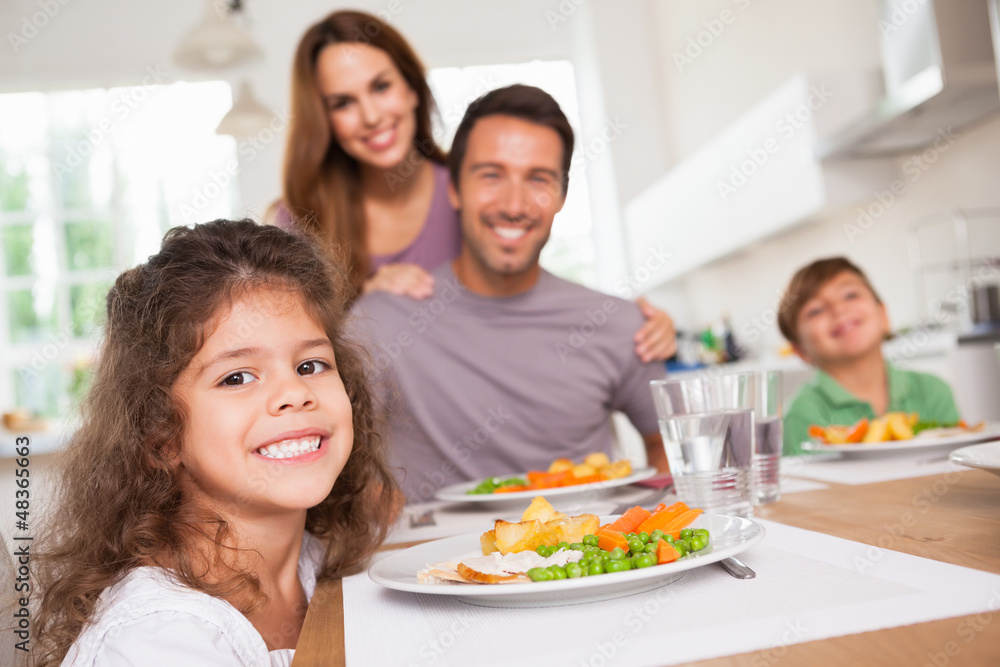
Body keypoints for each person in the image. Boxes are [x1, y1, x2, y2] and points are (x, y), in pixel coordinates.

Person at [35, 220, 397, 666]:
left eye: (310, 365)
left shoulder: (317, 562)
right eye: (237, 377)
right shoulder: (159, 641)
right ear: (161, 435)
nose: (294, 393)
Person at [276, 9, 676, 364]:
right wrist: (365, 311)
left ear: (411, 88)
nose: (371, 115)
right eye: (343, 103)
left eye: (381, 87)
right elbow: (294, 357)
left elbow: (522, 284)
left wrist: (627, 327)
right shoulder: (302, 219)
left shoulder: (472, 184)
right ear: (323, 119)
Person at [353, 84, 668, 502]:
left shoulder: (621, 325)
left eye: (538, 178)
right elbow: (331, 455)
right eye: (491, 175)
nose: (515, 204)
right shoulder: (380, 321)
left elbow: (666, 447)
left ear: (561, 195)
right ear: (454, 188)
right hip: (426, 562)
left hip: (581, 562)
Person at [778, 256, 960, 455]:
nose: (838, 309)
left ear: (884, 316)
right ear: (800, 350)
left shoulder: (933, 391)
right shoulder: (802, 414)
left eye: (850, 295)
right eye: (816, 310)